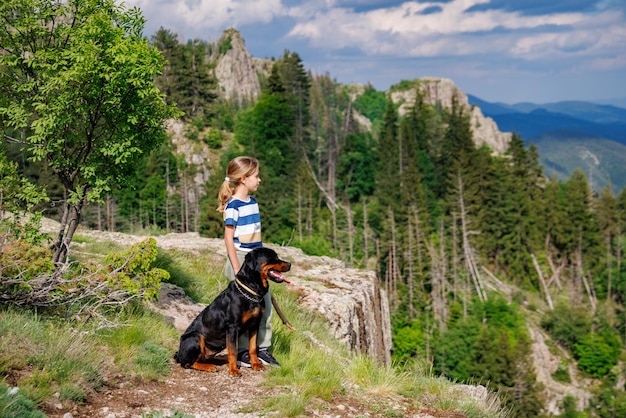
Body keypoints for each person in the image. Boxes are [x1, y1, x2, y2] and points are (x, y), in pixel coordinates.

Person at [216, 156, 280, 367]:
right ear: (243, 178)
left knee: (265, 305)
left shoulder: (252, 203)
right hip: (241, 261)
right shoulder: (233, 206)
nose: (259, 180)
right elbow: (228, 237)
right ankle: (242, 351)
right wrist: (236, 267)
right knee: (241, 308)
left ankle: (262, 348)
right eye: (256, 176)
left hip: (255, 262)